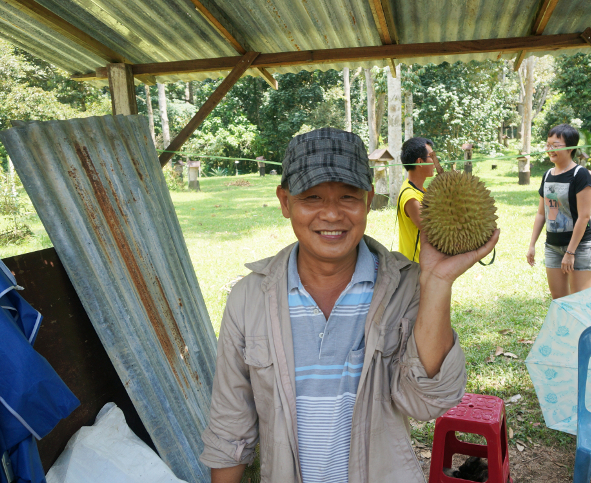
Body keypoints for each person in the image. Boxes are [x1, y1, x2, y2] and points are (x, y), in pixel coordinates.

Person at [200, 128, 499, 483]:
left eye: (348, 196)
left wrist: (436, 282)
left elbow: (427, 403)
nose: (331, 214)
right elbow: (230, 427)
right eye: (311, 198)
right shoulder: (248, 299)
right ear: (285, 202)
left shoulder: (405, 289)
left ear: (368, 200)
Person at [527, 124, 591, 299]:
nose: (550, 149)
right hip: (553, 247)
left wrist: (570, 252)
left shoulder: (580, 175)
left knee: (579, 301)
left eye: (555, 145)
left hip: (580, 248)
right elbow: (542, 213)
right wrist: (532, 244)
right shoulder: (548, 175)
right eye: (548, 144)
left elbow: (584, 217)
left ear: (570, 147)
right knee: (559, 301)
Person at [397, 137, 444, 262]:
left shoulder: (422, 191)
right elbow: (433, 230)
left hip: (427, 264)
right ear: (420, 162)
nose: (435, 162)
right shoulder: (410, 197)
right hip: (415, 268)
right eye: (431, 157)